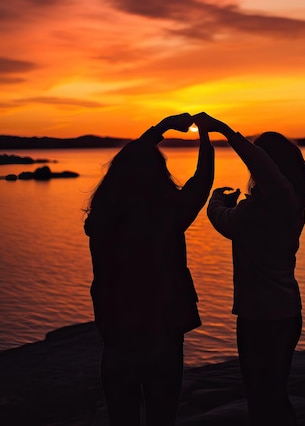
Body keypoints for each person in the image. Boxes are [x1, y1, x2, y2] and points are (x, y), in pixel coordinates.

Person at [84, 113, 214, 426]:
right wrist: (206, 136)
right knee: (162, 416)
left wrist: (161, 128)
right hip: (164, 332)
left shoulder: (102, 217)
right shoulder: (169, 215)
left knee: (122, 418)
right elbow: (201, 180)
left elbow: (131, 161)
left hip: (117, 332)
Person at [193, 112, 305, 426]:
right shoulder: (292, 204)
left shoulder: (264, 207)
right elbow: (236, 216)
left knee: (261, 398)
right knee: (274, 394)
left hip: (260, 318)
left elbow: (223, 219)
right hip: (287, 314)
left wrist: (224, 133)